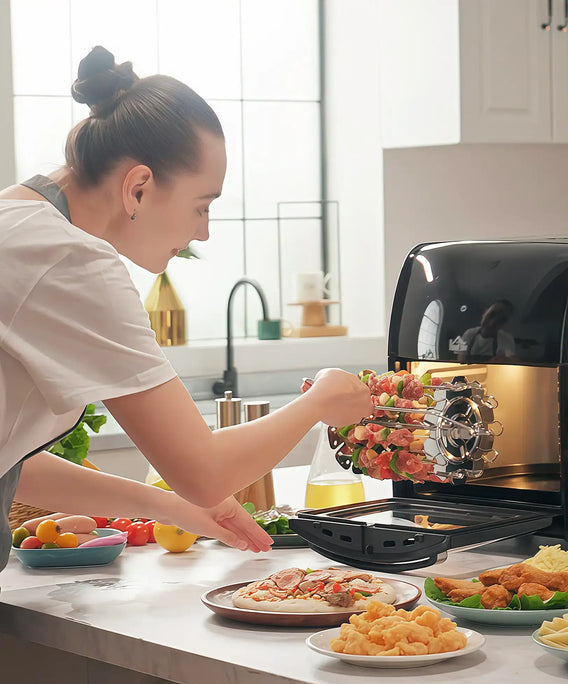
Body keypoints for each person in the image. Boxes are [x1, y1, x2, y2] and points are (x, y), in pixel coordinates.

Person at [0, 47, 372, 571]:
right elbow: (204, 471)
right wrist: (319, 404)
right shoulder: (69, 258)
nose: (203, 231)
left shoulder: (17, 217)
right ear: (138, 186)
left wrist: (164, 505)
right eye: (203, 205)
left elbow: (12, 464)